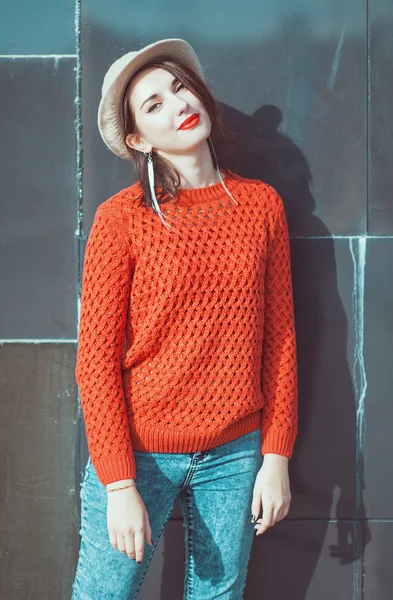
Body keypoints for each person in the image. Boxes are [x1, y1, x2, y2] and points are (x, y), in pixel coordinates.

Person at [71, 38, 299, 600]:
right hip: (137, 451)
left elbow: (280, 339)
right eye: (152, 106)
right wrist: (119, 483)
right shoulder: (121, 220)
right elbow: (95, 360)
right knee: (103, 594)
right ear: (137, 140)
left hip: (235, 452)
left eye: (179, 87)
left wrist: (276, 457)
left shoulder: (261, 205)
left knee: (217, 595)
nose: (177, 105)